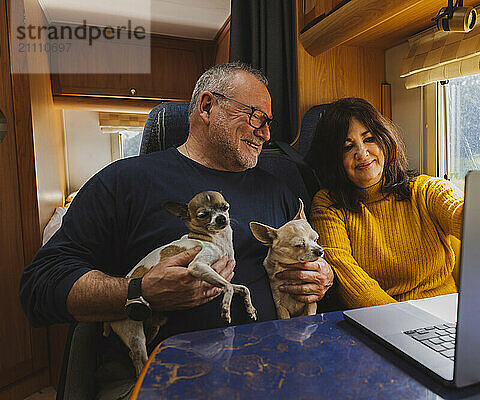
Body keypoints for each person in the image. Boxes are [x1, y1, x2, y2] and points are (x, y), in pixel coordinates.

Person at [20, 62, 334, 399]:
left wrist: (323, 275)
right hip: (165, 378)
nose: (266, 133)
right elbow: (40, 286)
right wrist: (141, 291)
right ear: (207, 106)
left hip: (274, 368)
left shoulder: (280, 191)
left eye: (267, 123)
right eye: (255, 116)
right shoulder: (123, 182)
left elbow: (314, 259)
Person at [308, 97, 462, 310]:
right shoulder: (327, 205)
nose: (362, 153)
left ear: (384, 140)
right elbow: (350, 281)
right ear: (334, 159)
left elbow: (463, 216)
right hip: (379, 320)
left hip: (444, 315)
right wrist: (401, 323)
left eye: (369, 139)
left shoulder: (426, 190)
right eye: (347, 146)